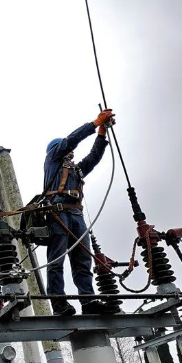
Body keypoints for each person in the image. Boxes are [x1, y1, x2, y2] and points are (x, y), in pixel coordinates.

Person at [43, 108, 115, 316]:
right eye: (68, 151)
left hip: (76, 215)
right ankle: (58, 302)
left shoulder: (76, 170)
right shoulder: (52, 160)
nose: (72, 154)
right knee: (57, 259)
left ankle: (88, 300)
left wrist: (102, 132)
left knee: (83, 259)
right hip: (58, 213)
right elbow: (71, 140)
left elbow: (93, 157)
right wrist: (94, 123)